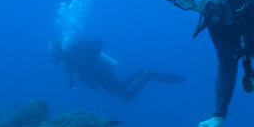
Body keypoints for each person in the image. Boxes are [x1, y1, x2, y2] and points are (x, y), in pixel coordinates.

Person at [50, 38, 184, 100]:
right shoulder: (70, 58)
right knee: (122, 90)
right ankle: (140, 73)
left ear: (59, 51)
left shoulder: (71, 57)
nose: (55, 58)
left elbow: (80, 71)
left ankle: (145, 76)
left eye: (55, 54)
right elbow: (75, 75)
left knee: (126, 96)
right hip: (103, 74)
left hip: (102, 75)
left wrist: (82, 82)